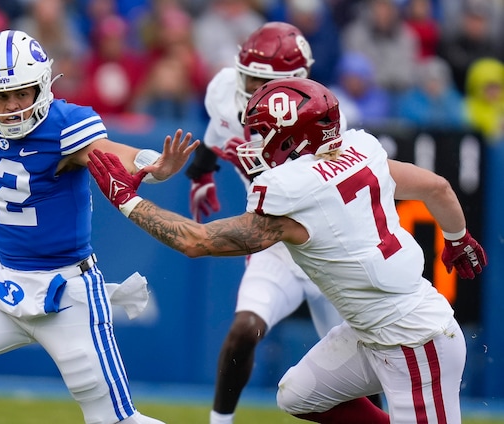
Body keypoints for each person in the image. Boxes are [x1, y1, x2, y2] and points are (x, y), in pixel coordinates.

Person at [86, 77, 487, 423]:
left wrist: (128, 201)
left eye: (263, 133)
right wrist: (457, 238)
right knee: (299, 394)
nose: (256, 143)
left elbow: (196, 241)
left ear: (294, 137)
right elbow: (437, 187)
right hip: (373, 329)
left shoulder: (293, 191)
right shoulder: (361, 150)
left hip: (415, 339)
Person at [0, 29, 195, 424]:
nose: (12, 106)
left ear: (42, 87)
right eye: (1, 96)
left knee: (117, 421)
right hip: (5, 288)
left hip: (67, 294)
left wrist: (155, 167)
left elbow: (116, 155)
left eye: (21, 93)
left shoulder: (64, 124)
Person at [184, 22, 347, 424]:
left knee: (365, 362)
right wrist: (201, 175)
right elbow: (216, 130)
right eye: (249, 76)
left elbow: (320, 190)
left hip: (330, 247)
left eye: (263, 81)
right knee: (243, 330)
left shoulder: (321, 118)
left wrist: (262, 166)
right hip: (276, 244)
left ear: (296, 82)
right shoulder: (225, 89)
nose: (250, 87)